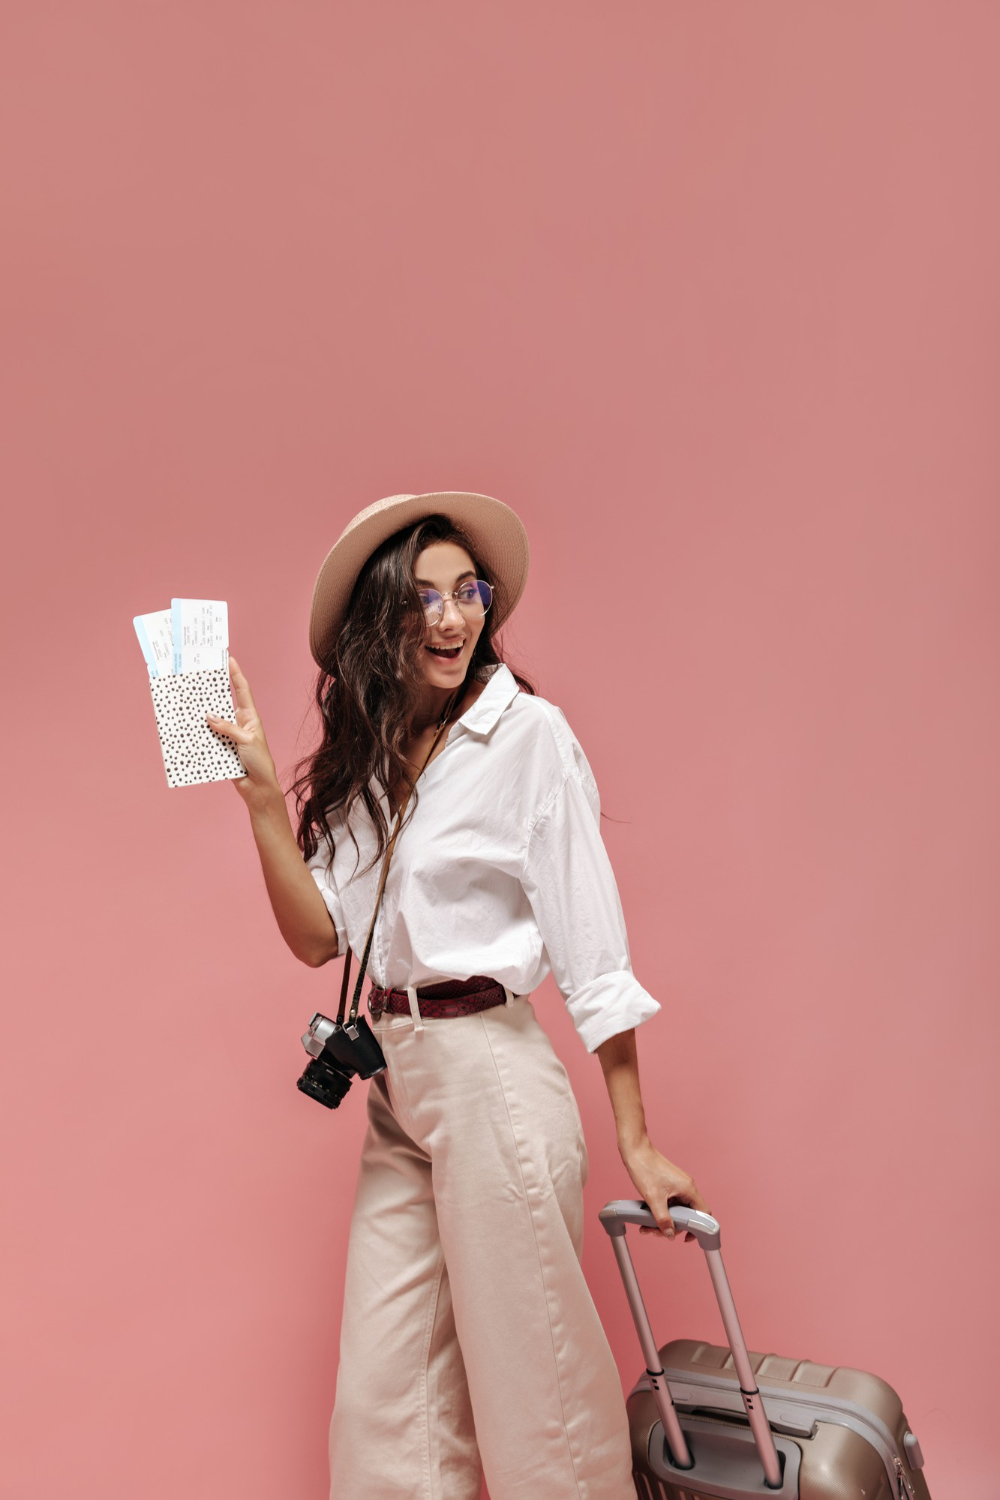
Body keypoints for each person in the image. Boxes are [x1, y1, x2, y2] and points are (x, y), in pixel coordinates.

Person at [205, 490, 711, 1500]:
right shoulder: (372, 758)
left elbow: (590, 947)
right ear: (379, 620)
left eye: (466, 592)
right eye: (422, 598)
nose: (451, 619)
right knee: (386, 1411)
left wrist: (637, 1138)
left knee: (541, 1404)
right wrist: (261, 793)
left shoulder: (526, 737)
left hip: (492, 1075)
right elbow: (318, 938)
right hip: (401, 1089)